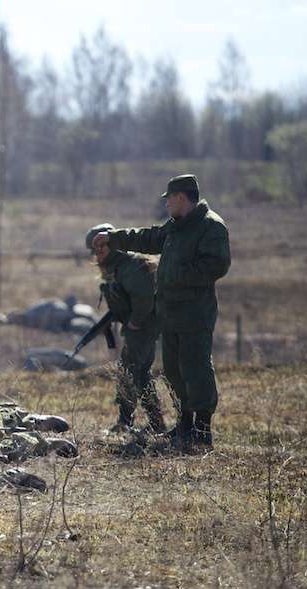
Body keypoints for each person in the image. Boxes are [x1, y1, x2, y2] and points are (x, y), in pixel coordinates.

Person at [92, 174, 230, 448]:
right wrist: (114, 238)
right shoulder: (176, 226)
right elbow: (149, 238)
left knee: (196, 368)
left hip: (195, 313)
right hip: (171, 313)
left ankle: (202, 430)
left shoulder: (210, 226)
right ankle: (184, 425)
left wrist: (175, 276)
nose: (166, 205)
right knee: (173, 370)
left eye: (169, 200)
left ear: (181, 198)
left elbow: (217, 265)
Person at [85, 223, 166, 435]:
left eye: (99, 247)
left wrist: (135, 322)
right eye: (94, 250)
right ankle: (155, 422)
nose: (97, 254)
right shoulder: (115, 267)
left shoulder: (131, 266)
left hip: (143, 326)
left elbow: (144, 299)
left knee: (128, 371)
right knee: (141, 374)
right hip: (139, 326)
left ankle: (125, 421)